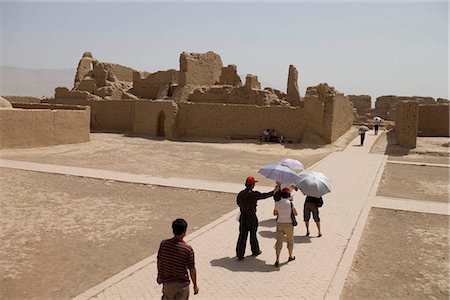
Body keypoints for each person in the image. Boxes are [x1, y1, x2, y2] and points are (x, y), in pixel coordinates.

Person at [236, 176, 278, 260]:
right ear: (252, 185)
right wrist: (274, 191)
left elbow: (238, 203)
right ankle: (255, 250)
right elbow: (264, 195)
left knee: (242, 236)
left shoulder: (240, 194)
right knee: (253, 235)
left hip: (243, 217)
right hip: (251, 217)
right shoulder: (254, 194)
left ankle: (240, 254)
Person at [157, 218, 199, 299]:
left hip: (168, 284)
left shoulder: (164, 244)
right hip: (182, 285)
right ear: (184, 231)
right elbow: (192, 269)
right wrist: (195, 285)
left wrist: (159, 275)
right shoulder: (187, 249)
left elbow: (159, 261)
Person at [273, 187, 298, 267]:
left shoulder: (277, 203)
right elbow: (295, 213)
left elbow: (275, 213)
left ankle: (277, 259)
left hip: (280, 223)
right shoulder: (291, 203)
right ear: (288, 195)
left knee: (279, 242)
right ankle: (290, 256)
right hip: (289, 224)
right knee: (290, 241)